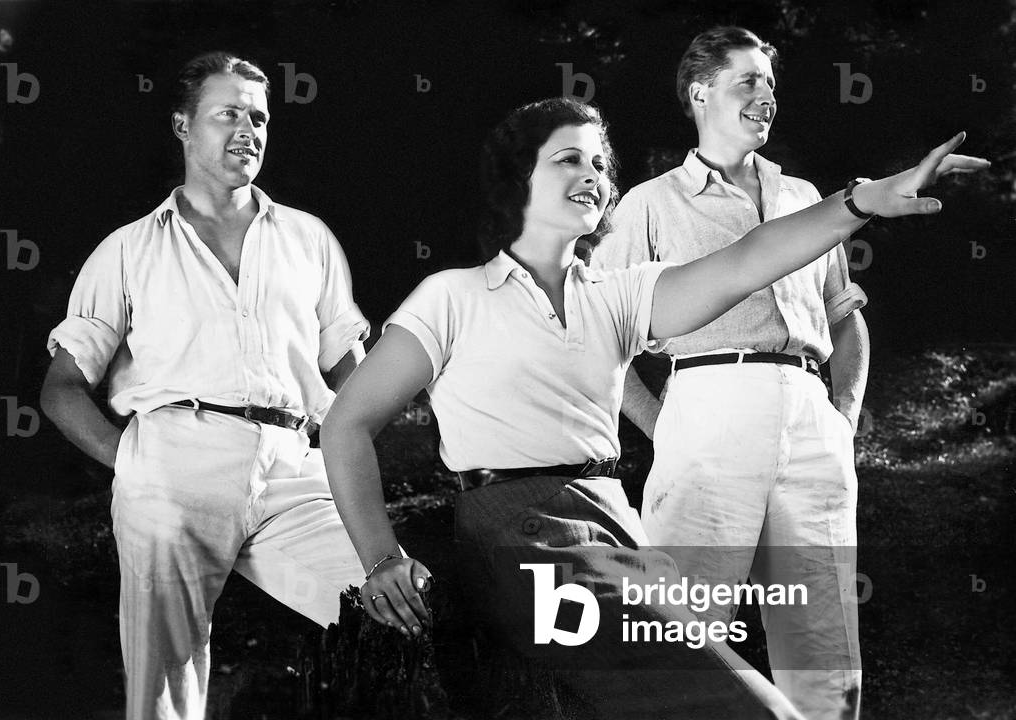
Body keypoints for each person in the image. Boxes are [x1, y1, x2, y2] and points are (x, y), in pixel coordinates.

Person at [321, 97, 985, 718]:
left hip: (616, 526)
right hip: (519, 531)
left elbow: (747, 261)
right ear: (517, 176)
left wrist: (863, 201)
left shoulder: (617, 295)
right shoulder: (453, 297)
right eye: (568, 158)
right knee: (742, 708)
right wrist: (382, 559)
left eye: (600, 162)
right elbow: (347, 424)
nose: (592, 173)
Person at [39, 52, 368, 720]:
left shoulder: (308, 240)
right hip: (173, 461)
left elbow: (352, 371)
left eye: (260, 116)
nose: (248, 129)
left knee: (388, 605)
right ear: (183, 126)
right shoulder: (128, 249)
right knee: (165, 694)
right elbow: (63, 386)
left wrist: (357, 441)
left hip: (293, 467)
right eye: (229, 114)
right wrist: (131, 460)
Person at [590, 26, 870, 718]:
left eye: (770, 84)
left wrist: (843, 420)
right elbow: (598, 335)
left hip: (811, 417)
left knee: (826, 651)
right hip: (707, 402)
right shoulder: (648, 205)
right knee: (685, 631)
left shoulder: (808, 198)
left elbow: (843, 319)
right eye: (746, 81)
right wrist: (664, 426)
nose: (764, 96)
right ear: (698, 92)